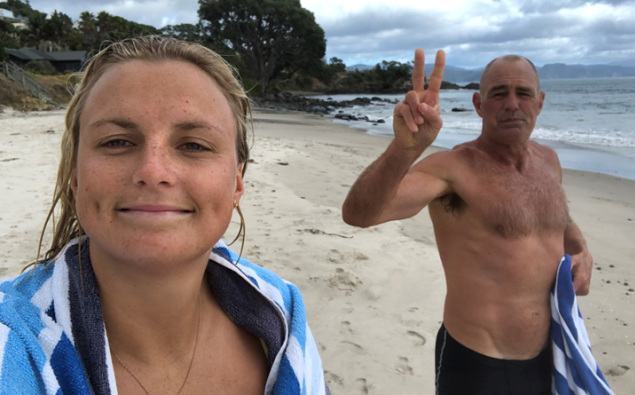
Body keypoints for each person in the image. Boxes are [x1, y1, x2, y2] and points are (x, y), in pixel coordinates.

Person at [0, 36, 329, 395]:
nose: (153, 170)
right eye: (117, 141)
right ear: (75, 176)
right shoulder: (11, 340)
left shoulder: (283, 312)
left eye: (193, 145)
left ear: (236, 182)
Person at [342, 50, 595, 394]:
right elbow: (360, 214)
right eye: (498, 94)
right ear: (478, 104)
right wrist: (405, 150)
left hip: (550, 354)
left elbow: (555, 219)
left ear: (540, 102)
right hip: (476, 364)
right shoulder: (452, 170)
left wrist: (582, 252)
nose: (511, 104)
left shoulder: (548, 162)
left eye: (523, 93)